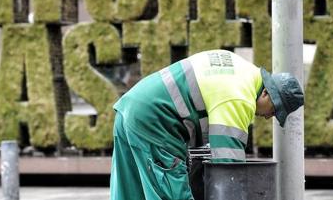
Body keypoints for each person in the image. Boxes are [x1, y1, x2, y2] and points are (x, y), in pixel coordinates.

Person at [109, 49, 305, 200]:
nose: (268, 117)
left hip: (131, 107)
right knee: (172, 192)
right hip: (156, 121)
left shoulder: (240, 68)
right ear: (265, 93)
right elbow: (229, 171)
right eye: (273, 110)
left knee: (130, 191)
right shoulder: (240, 97)